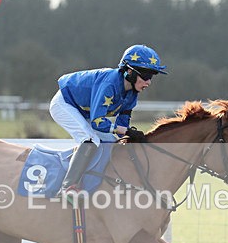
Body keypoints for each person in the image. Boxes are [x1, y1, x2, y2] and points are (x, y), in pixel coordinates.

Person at [49, 44, 168, 199]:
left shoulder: (132, 94)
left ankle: (98, 183)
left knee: (111, 142)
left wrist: (129, 136)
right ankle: (67, 188)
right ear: (130, 73)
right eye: (146, 76)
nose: (149, 82)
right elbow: (97, 122)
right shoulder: (109, 84)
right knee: (90, 140)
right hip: (64, 103)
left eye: (151, 77)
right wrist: (125, 131)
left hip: (82, 110)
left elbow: (122, 125)